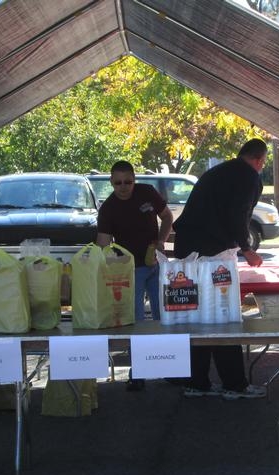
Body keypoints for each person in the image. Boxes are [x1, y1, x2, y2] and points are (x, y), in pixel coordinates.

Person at [172, 138, 268, 400]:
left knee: (197, 317)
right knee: (222, 316)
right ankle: (234, 383)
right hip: (211, 256)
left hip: (189, 251)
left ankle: (196, 381)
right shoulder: (248, 177)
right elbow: (238, 214)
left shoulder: (220, 171)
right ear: (260, 161)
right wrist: (247, 249)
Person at [96, 160, 173, 390]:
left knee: (164, 316)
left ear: (134, 180)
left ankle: (170, 367)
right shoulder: (108, 208)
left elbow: (168, 217)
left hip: (156, 262)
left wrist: (161, 240)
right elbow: (102, 244)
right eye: (118, 182)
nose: (123, 186)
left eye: (128, 182)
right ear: (111, 182)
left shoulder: (147, 192)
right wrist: (104, 270)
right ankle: (138, 371)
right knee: (137, 321)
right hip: (130, 269)